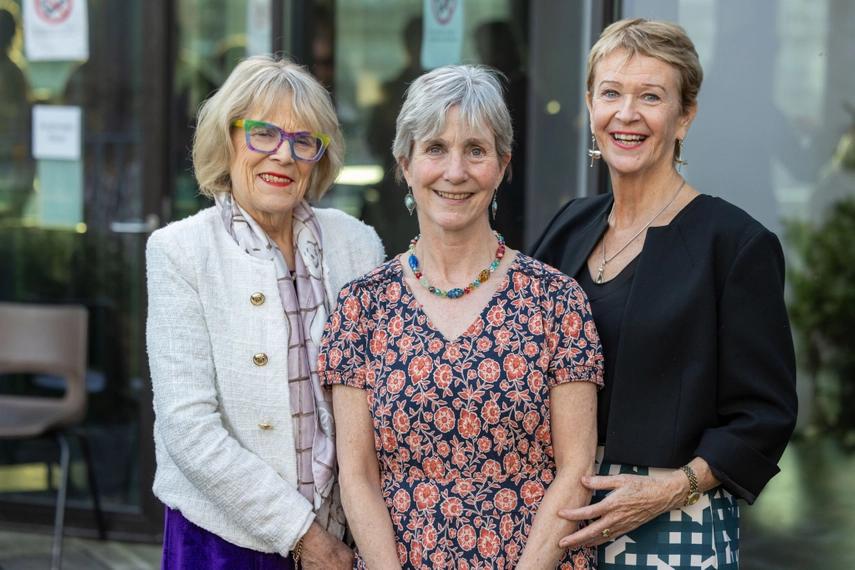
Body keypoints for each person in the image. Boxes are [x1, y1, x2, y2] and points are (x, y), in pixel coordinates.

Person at [530, 19, 798, 569]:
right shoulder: (567, 227)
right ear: (590, 106)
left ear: (685, 116)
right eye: (611, 93)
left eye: (650, 96)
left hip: (673, 526)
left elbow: (763, 415)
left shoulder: (736, 244)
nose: (626, 115)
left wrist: (672, 489)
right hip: (553, 521)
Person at [319, 65, 604, 569]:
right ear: (405, 164)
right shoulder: (360, 306)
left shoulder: (557, 302)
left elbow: (575, 467)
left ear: (502, 165)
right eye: (435, 149)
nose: (456, 171)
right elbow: (357, 472)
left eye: (476, 150)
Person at [146, 55, 385, 570]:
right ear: (227, 139)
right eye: (262, 134)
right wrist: (304, 538)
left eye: (303, 141)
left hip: (347, 531)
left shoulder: (357, 244)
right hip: (222, 540)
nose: (283, 155)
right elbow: (189, 427)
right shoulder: (179, 251)